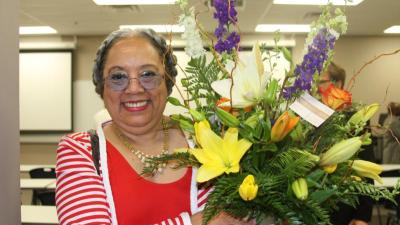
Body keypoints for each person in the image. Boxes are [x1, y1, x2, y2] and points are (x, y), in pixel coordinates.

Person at [55, 28, 254, 225]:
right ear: (101, 87)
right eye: (118, 77)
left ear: (167, 82)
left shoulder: (206, 139)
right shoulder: (82, 150)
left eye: (148, 74)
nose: (134, 88)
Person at [319, 62, 374, 225]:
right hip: (310, 205)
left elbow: (366, 166)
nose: (315, 88)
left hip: (344, 205)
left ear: (339, 84)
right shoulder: (309, 115)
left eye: (321, 82)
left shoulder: (357, 119)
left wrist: (363, 216)